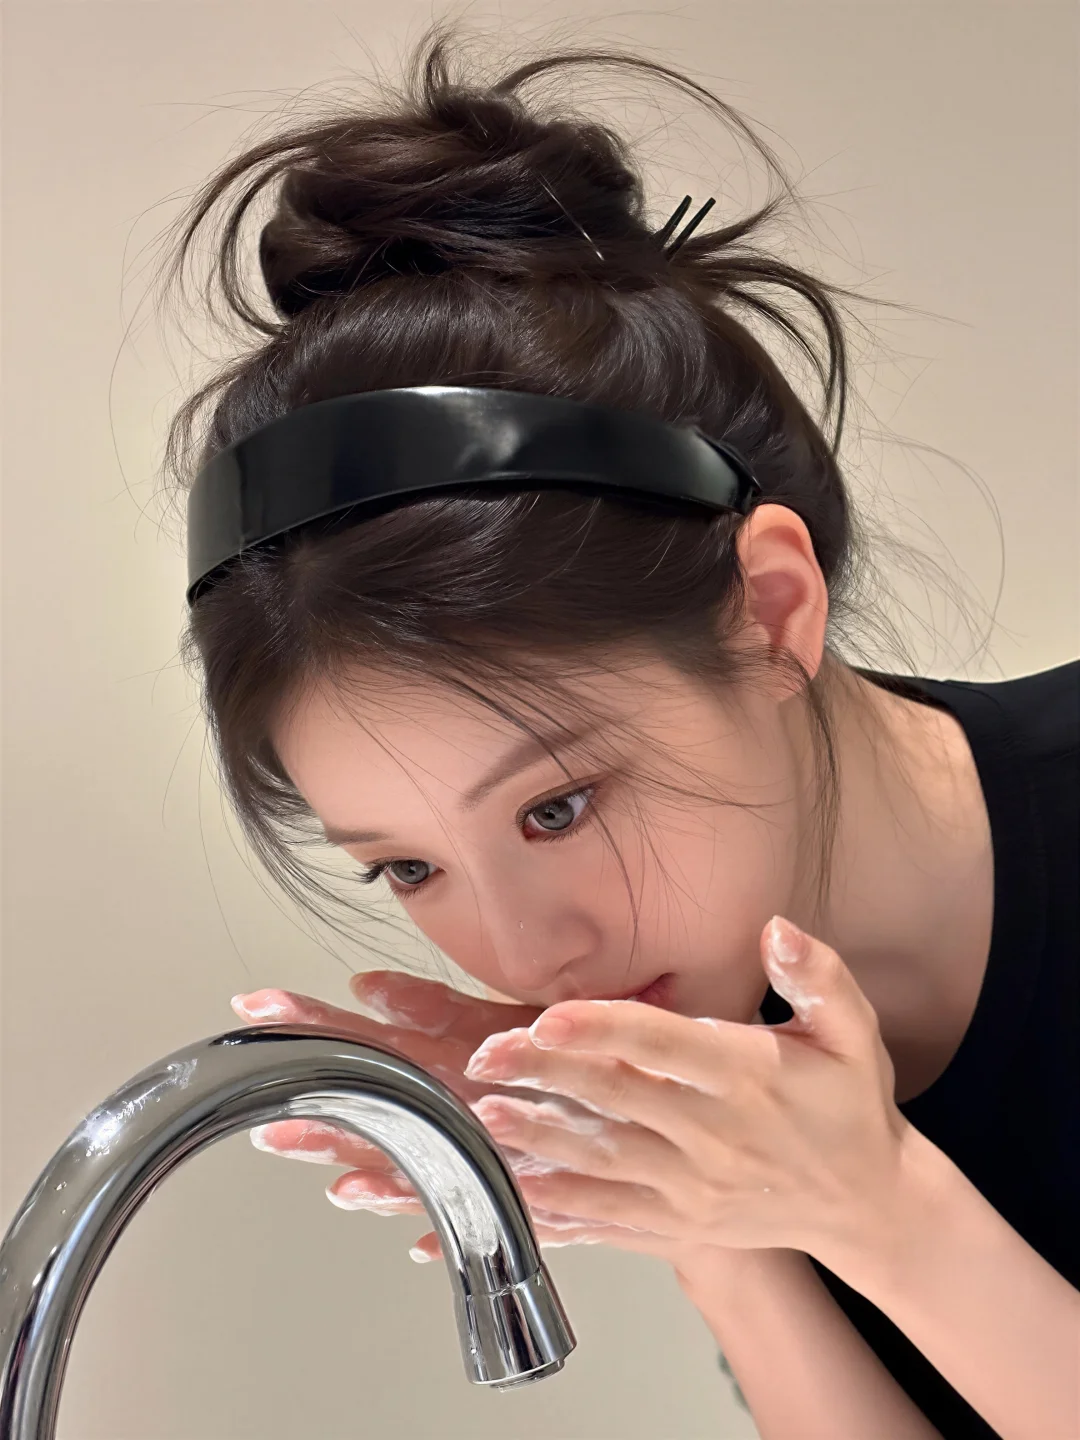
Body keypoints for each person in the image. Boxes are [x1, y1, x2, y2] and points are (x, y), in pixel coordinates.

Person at [157, 21, 1079, 1440]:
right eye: (409, 868)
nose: (526, 957)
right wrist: (711, 1223)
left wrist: (884, 1212)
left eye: (557, 807)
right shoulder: (723, 1028)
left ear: (770, 612)